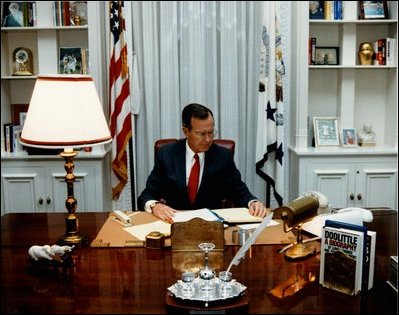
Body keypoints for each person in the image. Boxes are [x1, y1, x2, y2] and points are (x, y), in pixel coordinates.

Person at [137, 103, 270, 223]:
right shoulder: (166, 154)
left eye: (211, 133)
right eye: (201, 134)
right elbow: (147, 195)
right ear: (185, 131)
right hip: (174, 225)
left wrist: (253, 202)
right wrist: (155, 205)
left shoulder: (223, 156)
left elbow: (239, 191)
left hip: (211, 228)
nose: (208, 140)